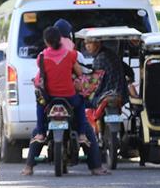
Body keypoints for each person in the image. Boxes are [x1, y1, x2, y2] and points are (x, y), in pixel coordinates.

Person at [22, 26, 108, 176]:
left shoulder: (41, 57)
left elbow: (40, 76)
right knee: (82, 107)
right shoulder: (71, 54)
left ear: (46, 41)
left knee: (39, 115)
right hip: (69, 98)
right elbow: (80, 73)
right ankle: (95, 165)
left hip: (50, 99)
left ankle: (29, 165)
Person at [83, 37, 131, 102]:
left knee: (81, 100)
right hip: (121, 93)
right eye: (85, 43)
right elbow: (129, 71)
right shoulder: (111, 53)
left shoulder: (100, 58)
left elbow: (95, 84)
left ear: (98, 43)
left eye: (90, 43)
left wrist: (84, 91)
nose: (87, 46)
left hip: (106, 95)